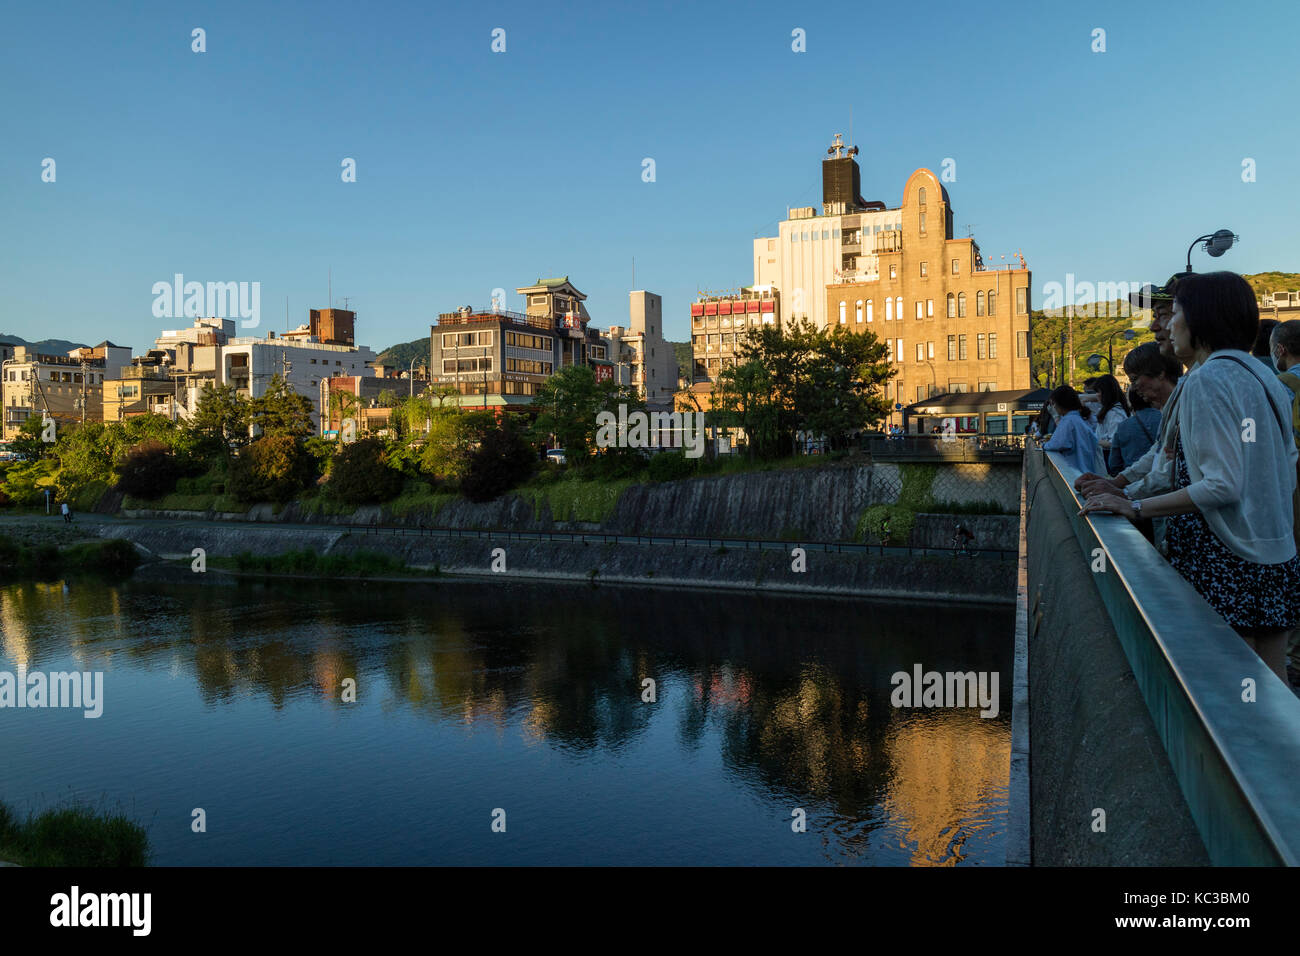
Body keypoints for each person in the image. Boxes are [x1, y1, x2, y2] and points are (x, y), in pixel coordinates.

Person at [1081, 272, 1299, 682]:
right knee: (1272, 690)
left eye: (1174, 311)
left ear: (1199, 319)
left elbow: (1221, 483)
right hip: (1275, 555)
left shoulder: (1206, 380)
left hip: (1226, 559)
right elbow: (1285, 468)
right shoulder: (1263, 376)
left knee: (1223, 689)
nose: (1166, 324)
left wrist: (1133, 506)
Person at [1074, 276, 1184, 498]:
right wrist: (1119, 484)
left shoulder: (1206, 384)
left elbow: (1215, 483)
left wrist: (1128, 497)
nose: (1155, 326)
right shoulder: (1188, 390)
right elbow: (1161, 456)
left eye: (1164, 315)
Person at [1042, 386, 1103, 474]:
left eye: (1053, 404)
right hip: (1087, 470)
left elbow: (1058, 443)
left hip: (1077, 472)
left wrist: (1044, 445)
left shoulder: (1068, 421)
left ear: (1060, 403)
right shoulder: (1078, 418)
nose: (1054, 407)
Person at [1107, 386, 1160, 475]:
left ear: (1131, 401)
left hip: (1132, 478)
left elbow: (1114, 463)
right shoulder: (1166, 419)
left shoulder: (1123, 426)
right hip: (1161, 476)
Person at [1090, 373, 1131, 454]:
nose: (1096, 395)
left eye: (1098, 391)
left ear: (1106, 393)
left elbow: (1113, 442)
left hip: (1108, 456)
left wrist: (1093, 440)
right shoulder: (1112, 409)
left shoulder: (1115, 413)